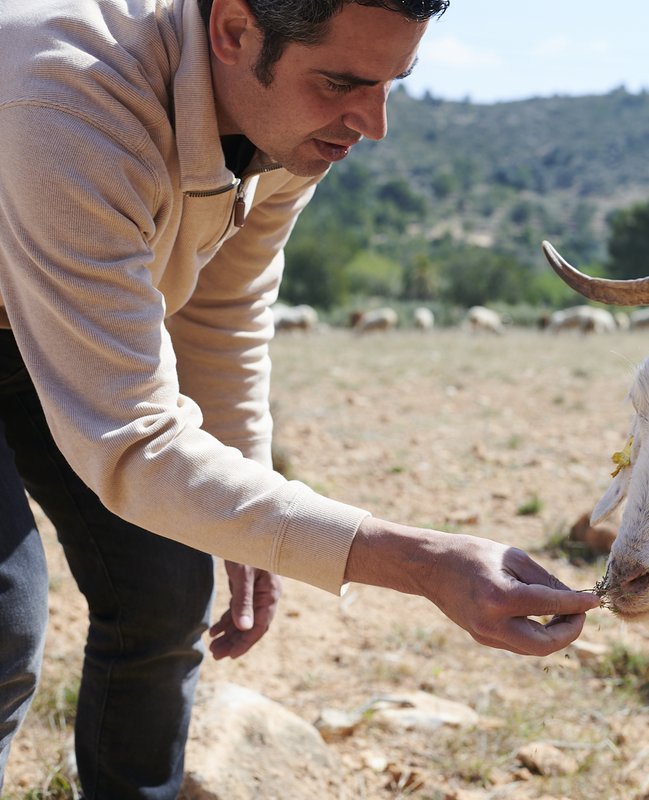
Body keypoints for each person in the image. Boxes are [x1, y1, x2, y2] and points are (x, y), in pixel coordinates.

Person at [0, 0, 599, 796]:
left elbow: (222, 311)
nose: (372, 124)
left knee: (168, 588)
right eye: (342, 83)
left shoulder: (285, 126)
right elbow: (134, 442)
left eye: (392, 83)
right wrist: (420, 562)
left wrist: (249, 499)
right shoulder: (71, 98)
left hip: (53, 311)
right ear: (233, 31)